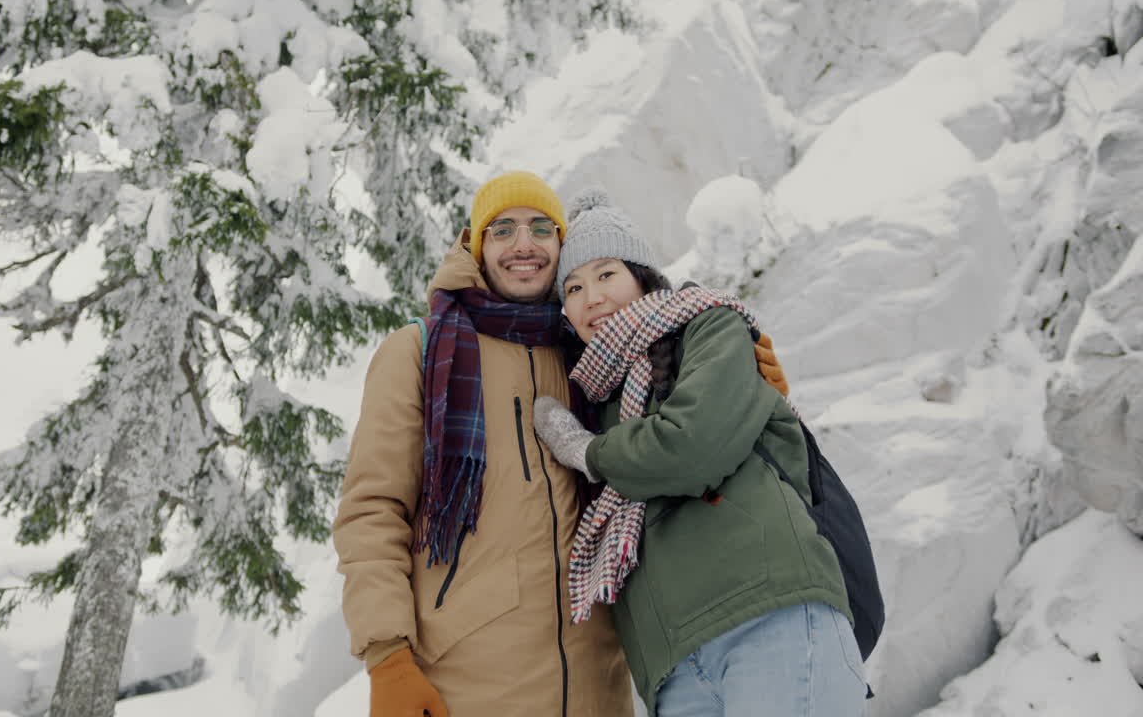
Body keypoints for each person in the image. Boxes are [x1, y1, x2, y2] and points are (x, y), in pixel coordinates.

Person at [333, 172, 788, 717]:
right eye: (502, 229)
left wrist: (754, 391)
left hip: (599, 678)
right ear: (476, 246)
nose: (523, 244)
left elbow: (673, 440)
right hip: (468, 684)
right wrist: (387, 656)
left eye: (541, 228)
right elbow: (373, 511)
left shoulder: (590, 352)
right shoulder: (420, 352)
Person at [532, 188, 867, 717]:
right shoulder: (597, 397)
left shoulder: (708, 325)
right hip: (675, 670)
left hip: (770, 616)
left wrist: (587, 452)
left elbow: (691, 446)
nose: (590, 296)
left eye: (606, 274)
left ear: (642, 275)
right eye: (572, 287)